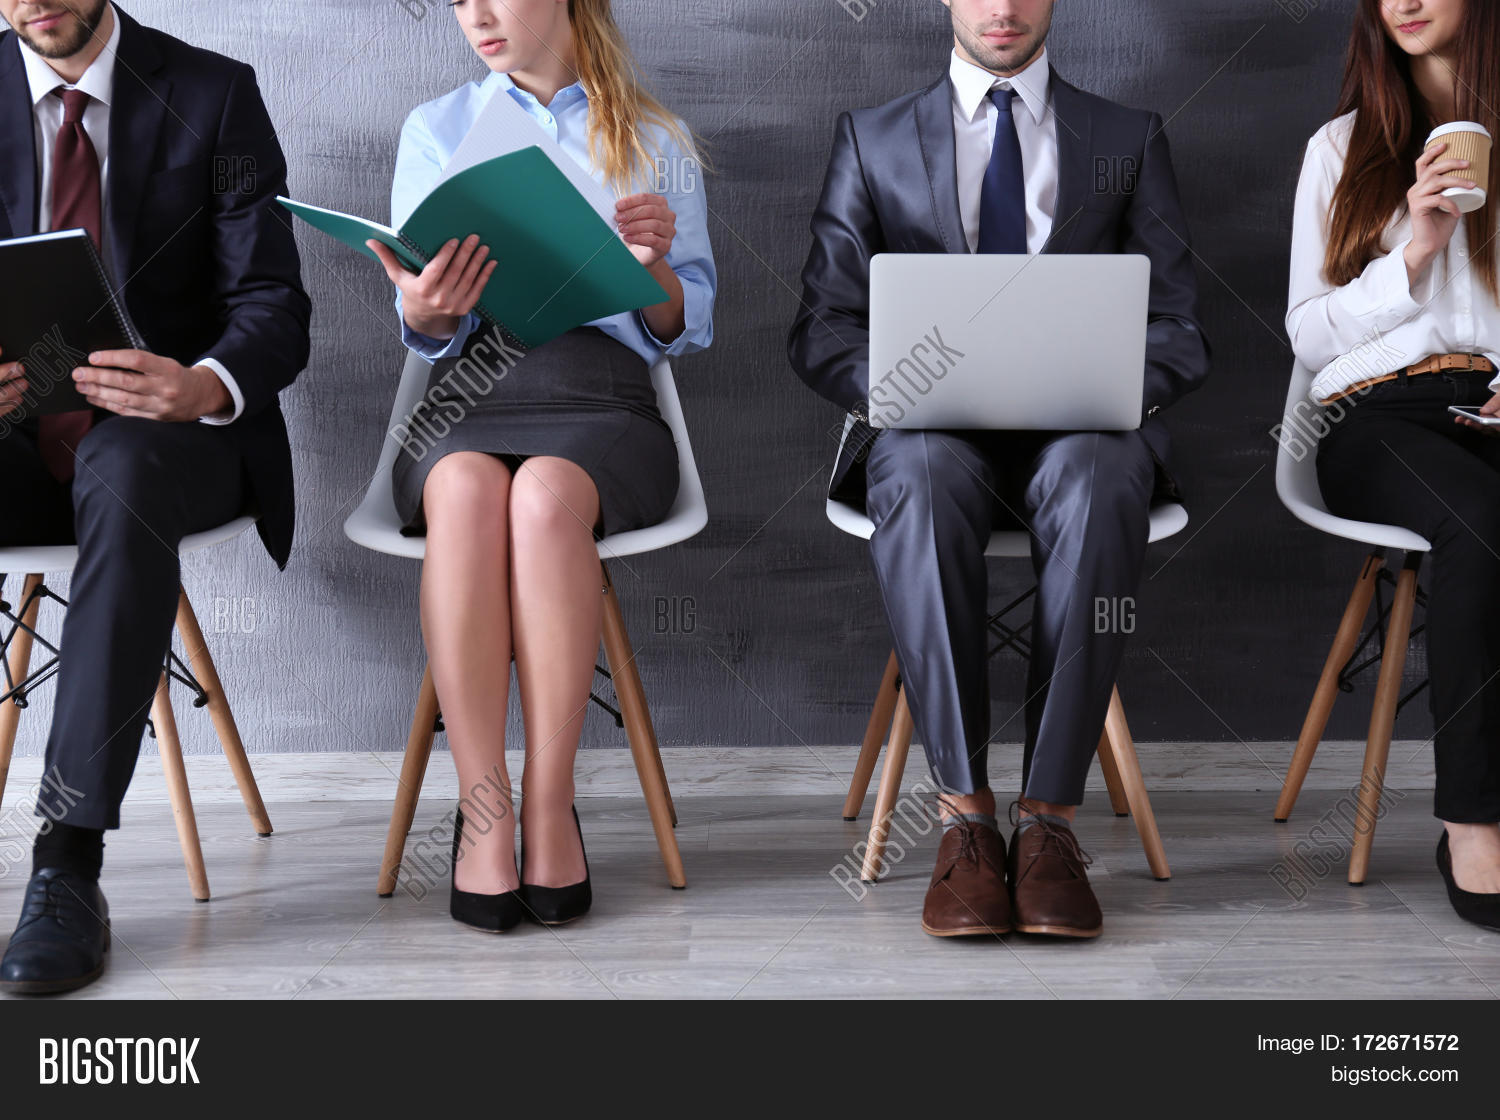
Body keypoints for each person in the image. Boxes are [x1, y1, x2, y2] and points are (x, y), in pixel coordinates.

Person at [788, 0, 1208, 940]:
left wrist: (1112, 388)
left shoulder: (1126, 136)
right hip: (934, 431)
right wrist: (897, 387)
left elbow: (1181, 323)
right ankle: (966, 820)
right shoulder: (873, 138)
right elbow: (820, 327)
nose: (1004, 9)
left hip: (1082, 433)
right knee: (923, 475)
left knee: (1101, 480)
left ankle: (1050, 823)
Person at [370, 0, 714, 932]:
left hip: (603, 399)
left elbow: (692, 325)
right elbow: (422, 326)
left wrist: (658, 277)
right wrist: (429, 307)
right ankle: (485, 811)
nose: (474, 14)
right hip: (466, 394)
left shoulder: (654, 135)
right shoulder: (433, 128)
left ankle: (550, 800)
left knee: (544, 499)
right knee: (469, 486)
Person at [0, 1, 310, 993]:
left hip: (165, 444)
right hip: (13, 445)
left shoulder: (213, 95)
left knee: (125, 470)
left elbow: (273, 303)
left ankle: (67, 862)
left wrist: (203, 383)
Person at [1288, 0, 1500, 932]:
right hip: (1381, 415)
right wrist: (1411, 251)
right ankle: (1475, 821)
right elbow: (1307, 332)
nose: (1405, 2)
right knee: (1485, 524)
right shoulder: (1342, 147)